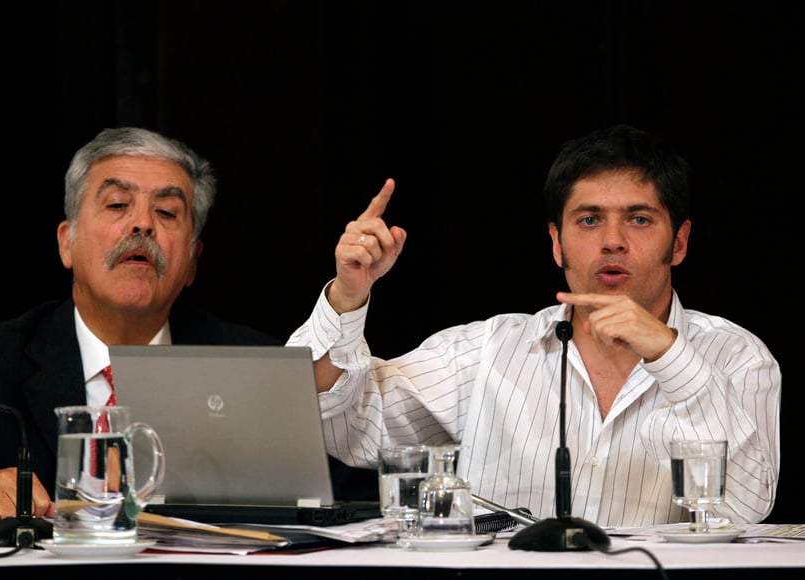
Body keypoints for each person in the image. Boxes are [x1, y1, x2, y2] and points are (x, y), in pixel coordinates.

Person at [286, 124, 781, 527]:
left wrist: (671, 357)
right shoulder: (487, 350)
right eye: (589, 220)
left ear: (679, 243)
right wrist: (348, 296)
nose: (612, 241)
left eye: (639, 220)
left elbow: (743, 511)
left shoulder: (737, 358)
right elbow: (340, 425)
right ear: (556, 244)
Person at [0, 127, 285, 523]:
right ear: (67, 242)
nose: (142, 224)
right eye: (118, 205)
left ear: (192, 261)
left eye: (166, 212)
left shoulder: (252, 369)